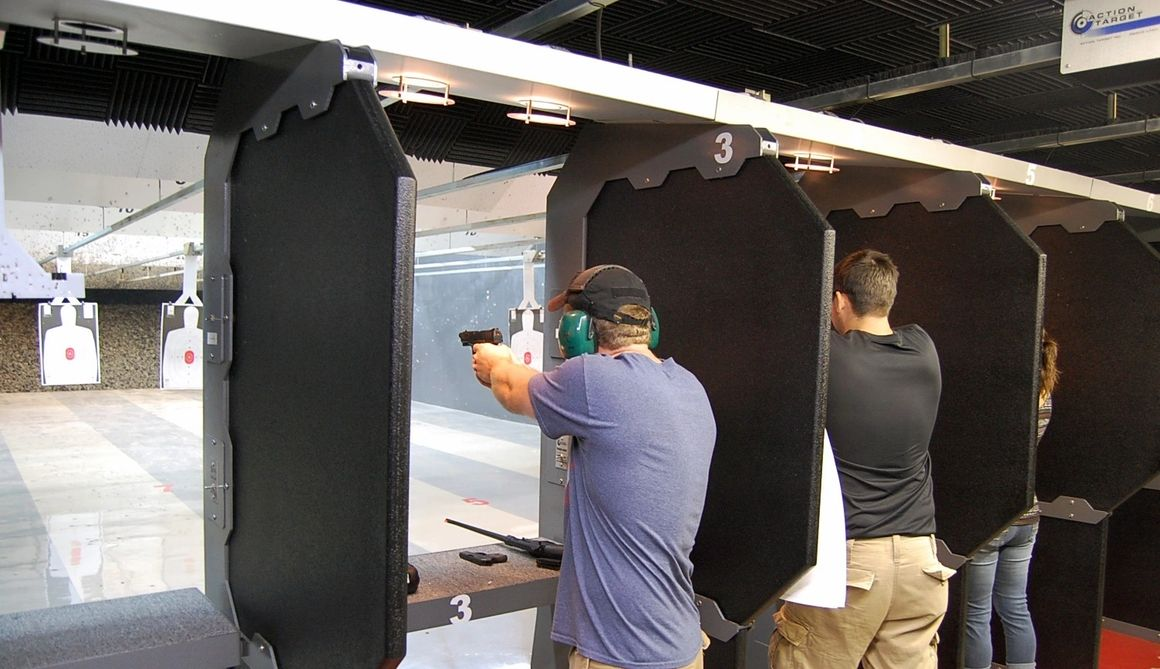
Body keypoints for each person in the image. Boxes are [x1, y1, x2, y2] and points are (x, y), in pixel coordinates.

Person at [471, 264, 716, 669]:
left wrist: (496, 362)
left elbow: (510, 385)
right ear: (650, 324)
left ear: (580, 328)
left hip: (619, 653)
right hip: (682, 642)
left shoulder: (591, 379)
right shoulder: (689, 386)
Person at [770, 249, 952, 669]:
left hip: (852, 564)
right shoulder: (922, 347)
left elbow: (791, 326)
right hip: (921, 563)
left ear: (838, 300)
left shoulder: (831, 355)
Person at [962, 330, 1059, 669]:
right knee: (1015, 605)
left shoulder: (1003, 397)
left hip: (991, 518)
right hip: (1026, 512)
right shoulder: (1044, 392)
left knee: (976, 613)